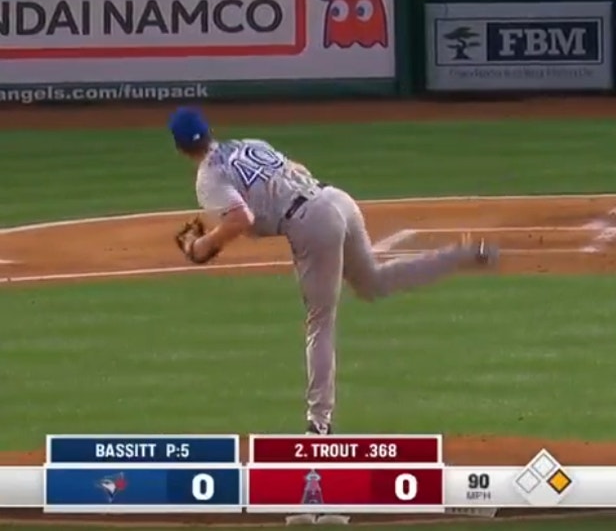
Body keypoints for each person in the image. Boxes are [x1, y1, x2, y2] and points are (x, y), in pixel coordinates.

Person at [167, 107, 499, 438]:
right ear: (209, 131)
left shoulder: (208, 179)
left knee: (320, 322)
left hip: (313, 222)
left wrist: (201, 247)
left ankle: (319, 423)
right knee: (373, 283)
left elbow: (241, 219)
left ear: (179, 147)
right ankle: (462, 255)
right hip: (336, 199)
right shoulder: (249, 144)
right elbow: (298, 169)